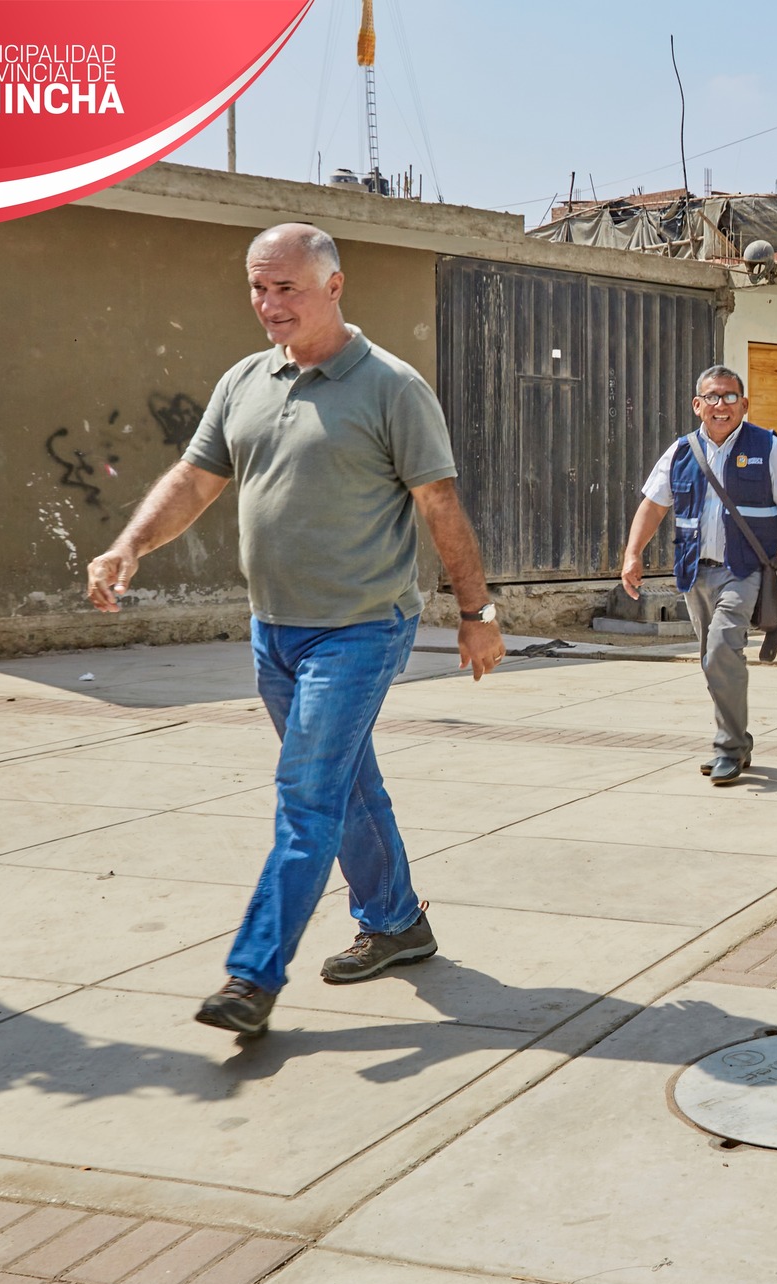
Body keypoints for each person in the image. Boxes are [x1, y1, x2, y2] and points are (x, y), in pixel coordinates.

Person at [85, 224, 506, 1039]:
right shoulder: (246, 379)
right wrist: (129, 541)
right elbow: (197, 478)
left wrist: (476, 614)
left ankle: (252, 974)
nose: (269, 304)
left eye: (287, 288)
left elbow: (440, 504)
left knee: (306, 797)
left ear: (335, 285)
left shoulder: (391, 386)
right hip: (272, 628)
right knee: (346, 784)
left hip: (359, 628)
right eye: (257, 287)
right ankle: (397, 922)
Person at [619, 365, 777, 786]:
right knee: (712, 661)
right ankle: (738, 740)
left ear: (744, 404)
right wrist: (633, 554)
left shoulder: (767, 446)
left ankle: (727, 748)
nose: (721, 405)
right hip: (694, 572)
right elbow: (653, 505)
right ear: (697, 405)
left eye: (729, 397)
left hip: (744, 571)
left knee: (722, 649)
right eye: (713, 397)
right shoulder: (681, 452)